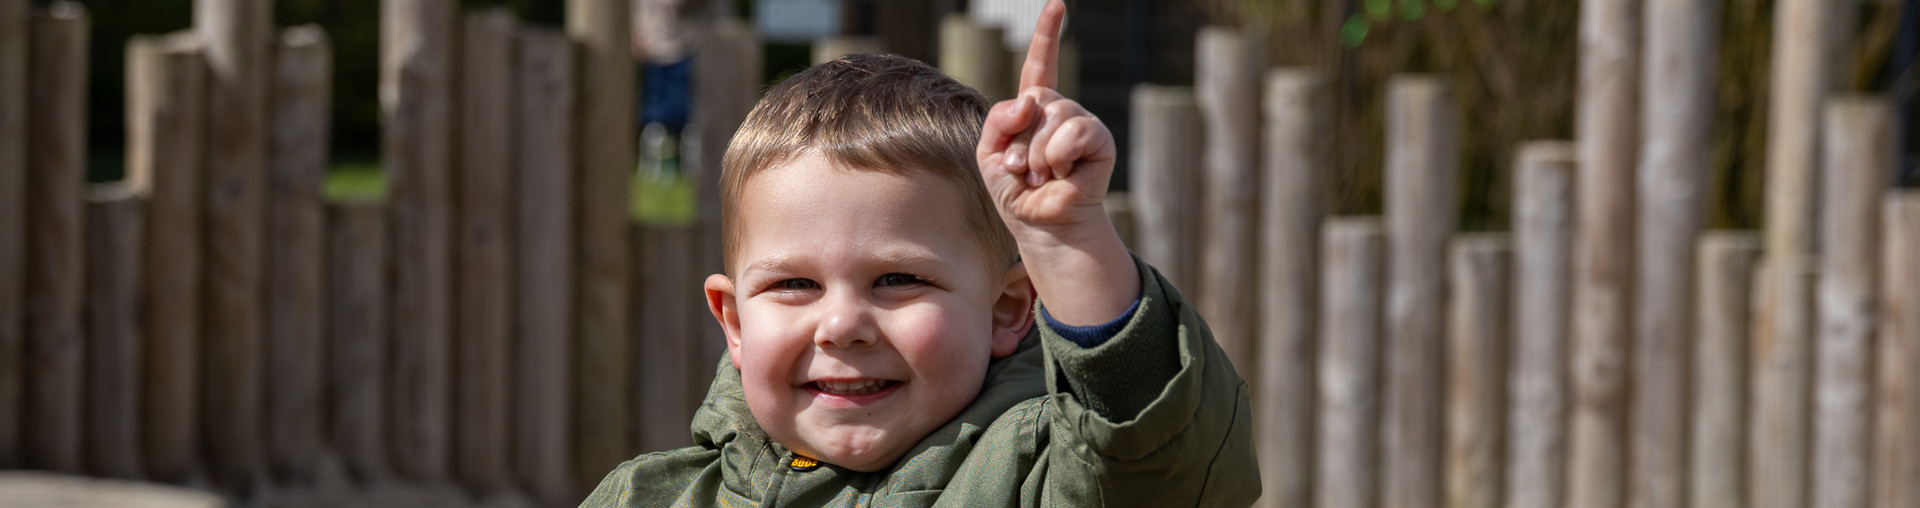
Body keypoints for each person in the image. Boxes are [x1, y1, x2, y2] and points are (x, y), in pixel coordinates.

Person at [582, 2, 1258, 505]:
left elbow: (1162, 466)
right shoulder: (649, 496)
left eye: (897, 280)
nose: (842, 324)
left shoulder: (1041, 476)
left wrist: (1068, 241)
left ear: (1006, 308)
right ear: (733, 321)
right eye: (794, 285)